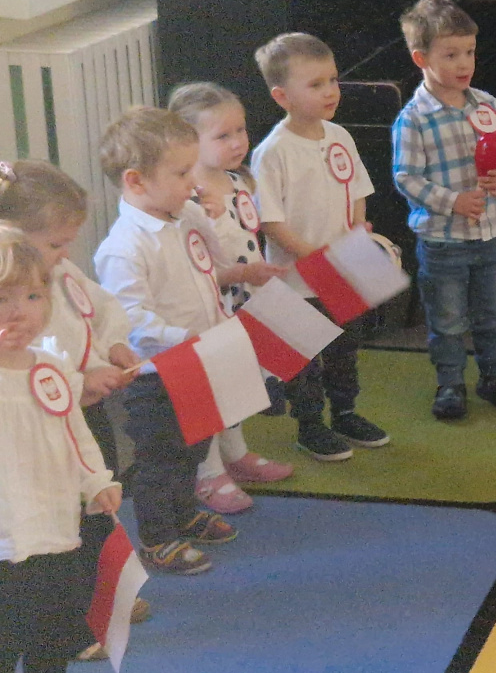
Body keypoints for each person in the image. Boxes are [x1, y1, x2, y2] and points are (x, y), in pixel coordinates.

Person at [96, 108, 275, 571]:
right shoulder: (124, 247)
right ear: (136, 181)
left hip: (200, 358)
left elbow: (214, 266)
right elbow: (131, 320)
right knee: (160, 459)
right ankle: (158, 538)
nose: (194, 182)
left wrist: (214, 222)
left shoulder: (185, 213)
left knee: (193, 448)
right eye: (181, 173)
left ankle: (185, 513)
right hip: (157, 375)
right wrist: (191, 338)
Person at [0, 161, 152, 657]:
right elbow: (35, 358)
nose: (65, 254)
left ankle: (99, 596)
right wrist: (80, 381)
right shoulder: (15, 296)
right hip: (41, 429)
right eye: (55, 243)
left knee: (99, 505)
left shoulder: (62, 274)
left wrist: (113, 348)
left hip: (83, 418)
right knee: (60, 525)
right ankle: (72, 619)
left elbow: (101, 311)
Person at [0, 228, 121, 673]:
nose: (20, 311)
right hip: (7, 539)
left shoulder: (49, 369)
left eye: (33, 295)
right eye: (3, 297)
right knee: (5, 637)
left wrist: (96, 480)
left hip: (56, 526)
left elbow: (76, 433)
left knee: (52, 621)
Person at [251, 33, 390, 460]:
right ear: (282, 96)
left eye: (332, 80)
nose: (331, 91)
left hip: (343, 271)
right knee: (304, 359)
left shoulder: (340, 136)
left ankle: (345, 413)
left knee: (345, 350)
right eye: (315, 84)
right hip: (298, 281)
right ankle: (310, 426)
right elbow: (271, 222)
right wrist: (315, 256)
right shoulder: (273, 152)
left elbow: (358, 191)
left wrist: (358, 232)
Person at [392, 0, 496, 421]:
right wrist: (453, 201)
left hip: (491, 234)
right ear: (421, 58)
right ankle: (450, 383)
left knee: (494, 313)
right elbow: (406, 177)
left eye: (469, 52)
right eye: (450, 55)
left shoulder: (486, 104)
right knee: (448, 319)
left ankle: (494, 376)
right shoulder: (414, 118)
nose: (464, 63)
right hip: (443, 241)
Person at [168, 83, 294, 509]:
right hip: (214, 305)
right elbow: (193, 270)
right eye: (223, 135)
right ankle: (208, 472)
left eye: (240, 130)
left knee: (238, 383)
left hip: (247, 299)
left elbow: (248, 238)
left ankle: (235, 454)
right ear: (187, 142)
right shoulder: (187, 200)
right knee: (210, 390)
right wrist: (241, 274)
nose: (238, 142)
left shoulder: (240, 182)